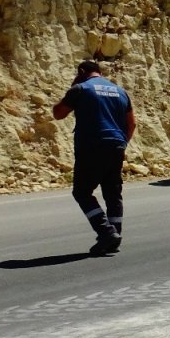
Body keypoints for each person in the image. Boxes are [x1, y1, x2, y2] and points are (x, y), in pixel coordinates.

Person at [52, 61, 135, 255]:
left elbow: (58, 114)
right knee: (113, 193)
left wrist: (72, 87)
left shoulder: (80, 89)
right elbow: (131, 124)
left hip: (92, 146)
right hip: (116, 145)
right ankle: (116, 233)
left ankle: (106, 232)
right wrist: (123, 143)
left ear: (81, 71)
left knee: (81, 192)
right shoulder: (120, 91)